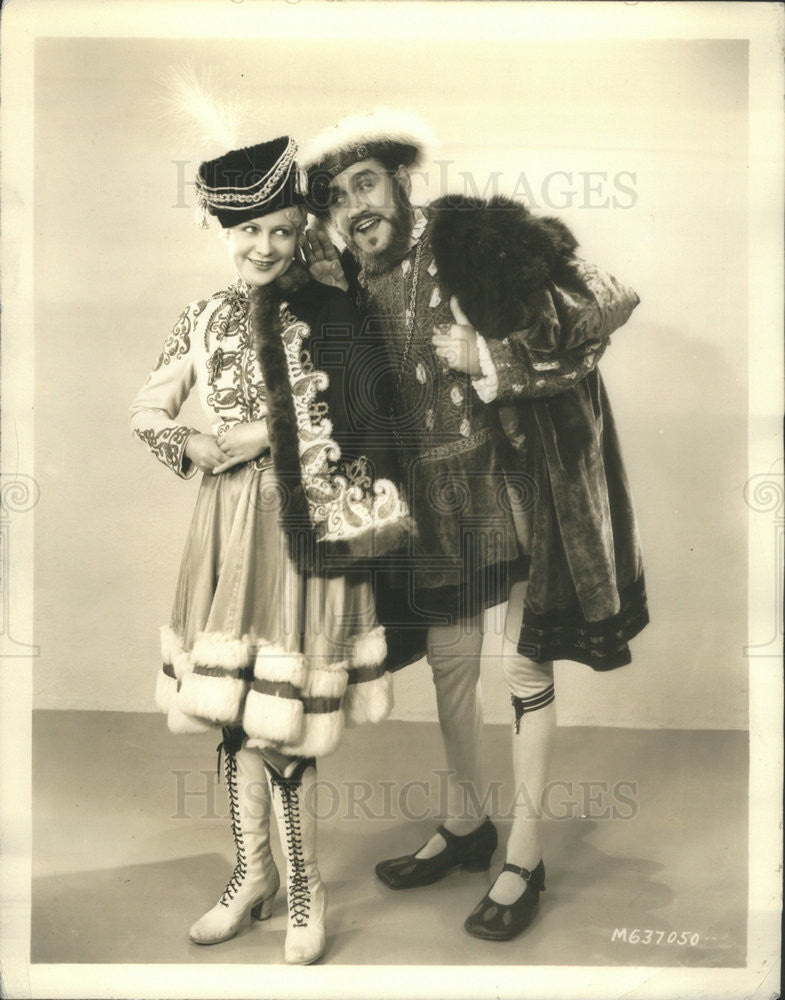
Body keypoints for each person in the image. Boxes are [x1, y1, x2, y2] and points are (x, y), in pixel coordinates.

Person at [299, 109, 648, 940]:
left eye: (366, 183)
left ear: (399, 180)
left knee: (523, 674)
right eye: (335, 199)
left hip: (518, 494)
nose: (354, 208)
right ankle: (466, 826)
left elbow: (606, 297)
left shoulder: (473, 235)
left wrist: (491, 357)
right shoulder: (339, 276)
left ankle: (523, 857)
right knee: (450, 670)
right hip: (431, 513)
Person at [129, 134, 409, 964]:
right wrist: (189, 444)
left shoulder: (333, 311)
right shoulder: (203, 317)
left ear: (300, 233)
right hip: (225, 534)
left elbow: (365, 420)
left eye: (282, 232)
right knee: (231, 715)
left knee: (281, 724)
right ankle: (251, 876)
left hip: (303, 532)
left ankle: (305, 891)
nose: (264, 248)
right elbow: (148, 410)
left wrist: (261, 432)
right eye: (248, 232)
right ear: (223, 231)